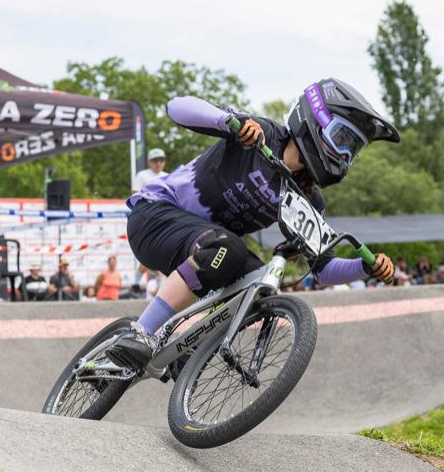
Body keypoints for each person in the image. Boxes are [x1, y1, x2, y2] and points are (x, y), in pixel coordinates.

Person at [105, 78, 399, 371]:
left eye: (352, 151)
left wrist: (366, 268)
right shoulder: (263, 135)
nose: (344, 155)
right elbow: (176, 108)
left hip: (202, 247)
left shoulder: (308, 199)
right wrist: (229, 122)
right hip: (155, 217)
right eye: (342, 140)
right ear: (315, 121)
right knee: (228, 246)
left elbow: (323, 268)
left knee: (257, 281)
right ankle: (139, 333)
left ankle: (187, 349)